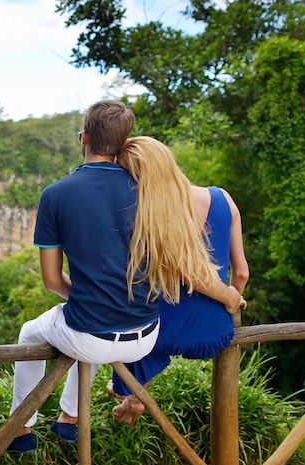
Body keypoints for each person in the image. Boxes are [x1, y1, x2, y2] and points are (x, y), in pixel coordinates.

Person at [6, 102, 242, 454]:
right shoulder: (147, 191)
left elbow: (52, 281)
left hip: (94, 335)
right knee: (84, 326)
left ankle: (20, 428)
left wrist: (87, 295)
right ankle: (68, 418)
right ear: (124, 141)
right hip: (147, 334)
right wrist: (227, 294)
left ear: (84, 137)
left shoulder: (55, 194)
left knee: (33, 331)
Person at [106, 136, 250, 426]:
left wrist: (227, 297)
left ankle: (127, 392)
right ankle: (131, 396)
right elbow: (242, 273)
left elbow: (191, 273)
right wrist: (232, 301)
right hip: (217, 330)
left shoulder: (151, 212)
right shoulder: (222, 198)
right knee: (149, 329)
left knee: (133, 326)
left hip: (168, 329)